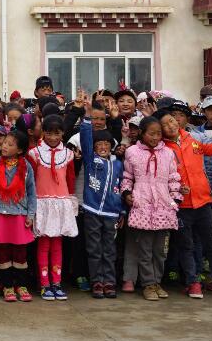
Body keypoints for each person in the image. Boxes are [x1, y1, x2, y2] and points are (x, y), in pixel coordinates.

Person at [155, 109, 212, 299]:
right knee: (186, 246)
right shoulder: (162, 149)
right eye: (165, 124)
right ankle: (192, 282)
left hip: (203, 201)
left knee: (211, 244)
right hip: (181, 206)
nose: (171, 125)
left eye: (172, 121)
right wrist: (176, 190)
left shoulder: (192, 139)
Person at [120, 117, 182, 301]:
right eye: (151, 134)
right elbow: (127, 177)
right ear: (142, 133)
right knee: (145, 250)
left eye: (158, 134)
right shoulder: (132, 152)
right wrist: (126, 194)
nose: (155, 137)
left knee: (160, 251)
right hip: (142, 205)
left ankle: (157, 282)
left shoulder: (168, 153)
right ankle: (148, 284)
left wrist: (175, 200)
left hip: (163, 206)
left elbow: (173, 177)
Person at [27, 115, 78, 301]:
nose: (53, 137)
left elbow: (70, 179)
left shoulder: (69, 154)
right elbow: (31, 180)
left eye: (57, 133)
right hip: (42, 203)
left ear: (63, 133)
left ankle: (56, 282)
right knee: (43, 244)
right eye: (49, 133)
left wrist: (71, 202)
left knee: (57, 244)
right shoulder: (35, 153)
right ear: (43, 132)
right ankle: (44, 284)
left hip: (61, 203)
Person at [0, 130, 37, 302]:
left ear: (19, 150)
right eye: (5, 142)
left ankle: (21, 285)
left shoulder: (26, 166)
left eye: (10, 144)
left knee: (20, 252)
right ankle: (7, 286)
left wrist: (31, 214)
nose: (4, 146)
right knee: (2, 251)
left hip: (19, 213)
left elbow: (32, 192)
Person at [78, 113, 124, 299]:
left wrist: (122, 211)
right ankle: (97, 281)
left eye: (106, 144)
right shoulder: (91, 161)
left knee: (110, 250)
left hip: (112, 214)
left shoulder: (118, 164)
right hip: (92, 211)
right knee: (94, 249)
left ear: (111, 146)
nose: (103, 147)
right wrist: (86, 121)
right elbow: (85, 141)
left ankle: (109, 282)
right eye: (99, 144)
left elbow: (123, 187)